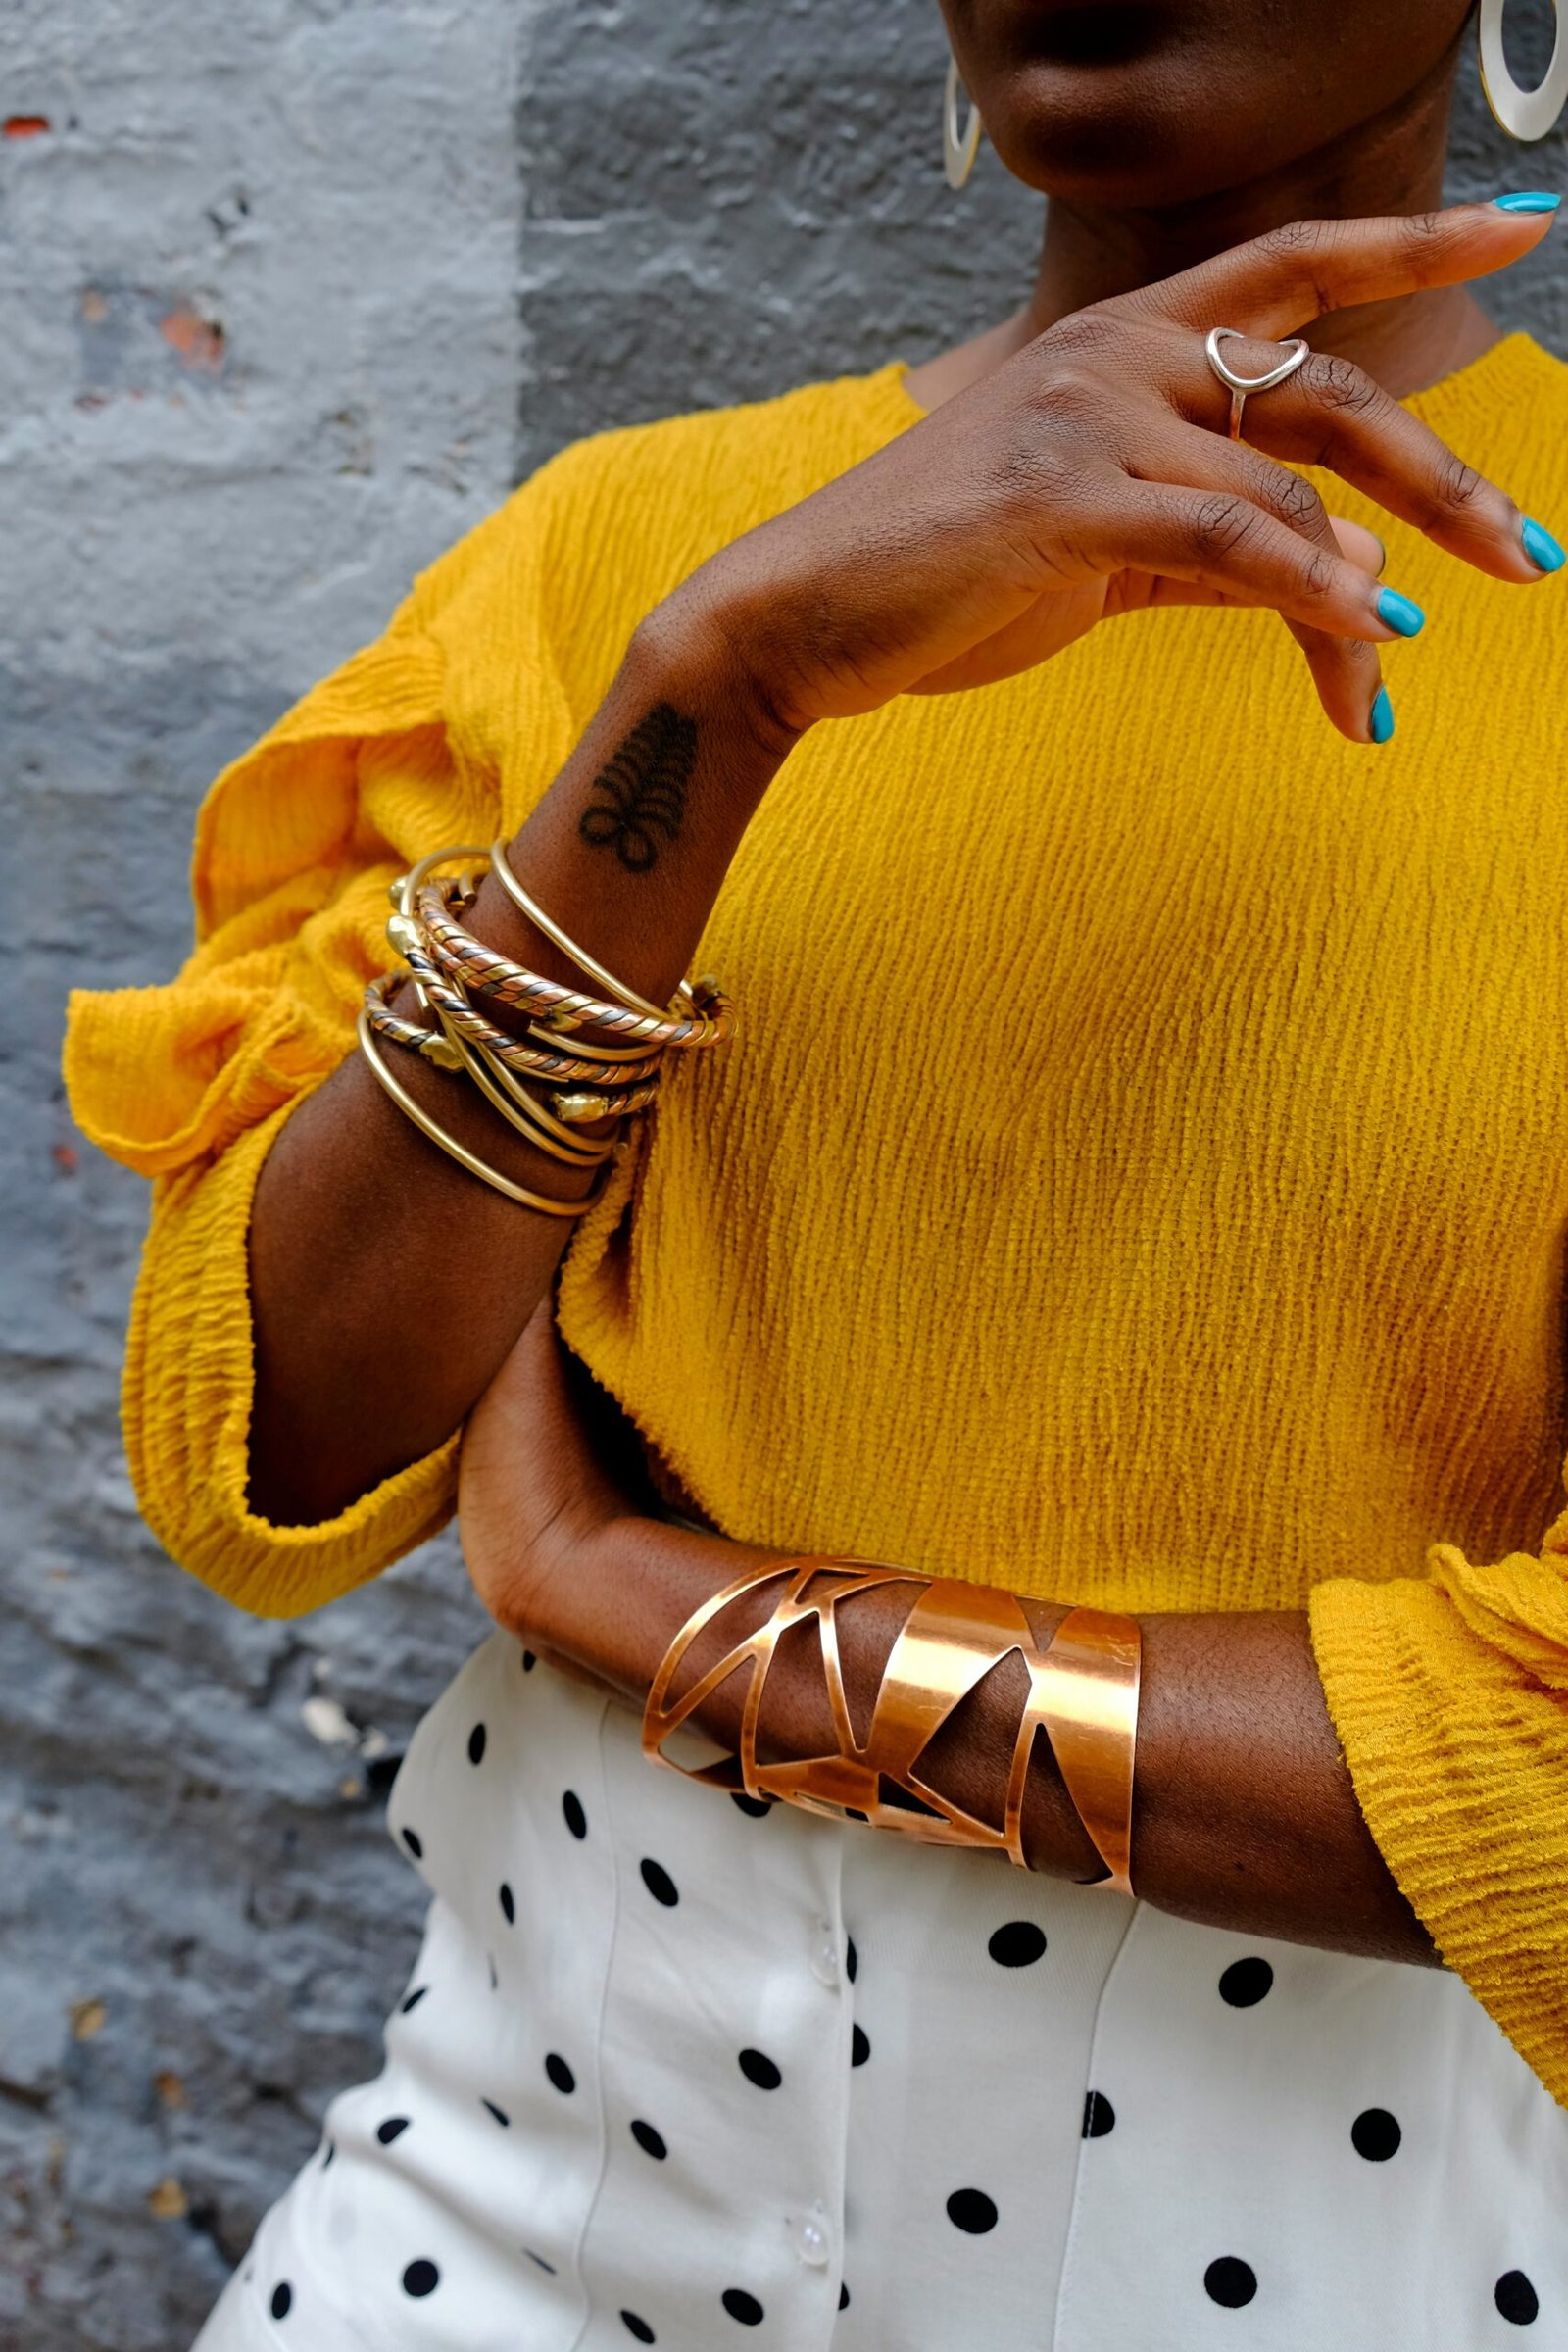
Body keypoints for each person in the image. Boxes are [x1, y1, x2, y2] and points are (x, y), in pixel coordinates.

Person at [62, 0, 1568, 2342]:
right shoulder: (621, 562)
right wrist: (716, 691)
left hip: (1322, 2241)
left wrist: (670, 1618)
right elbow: (264, 1443)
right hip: (509, 2184)